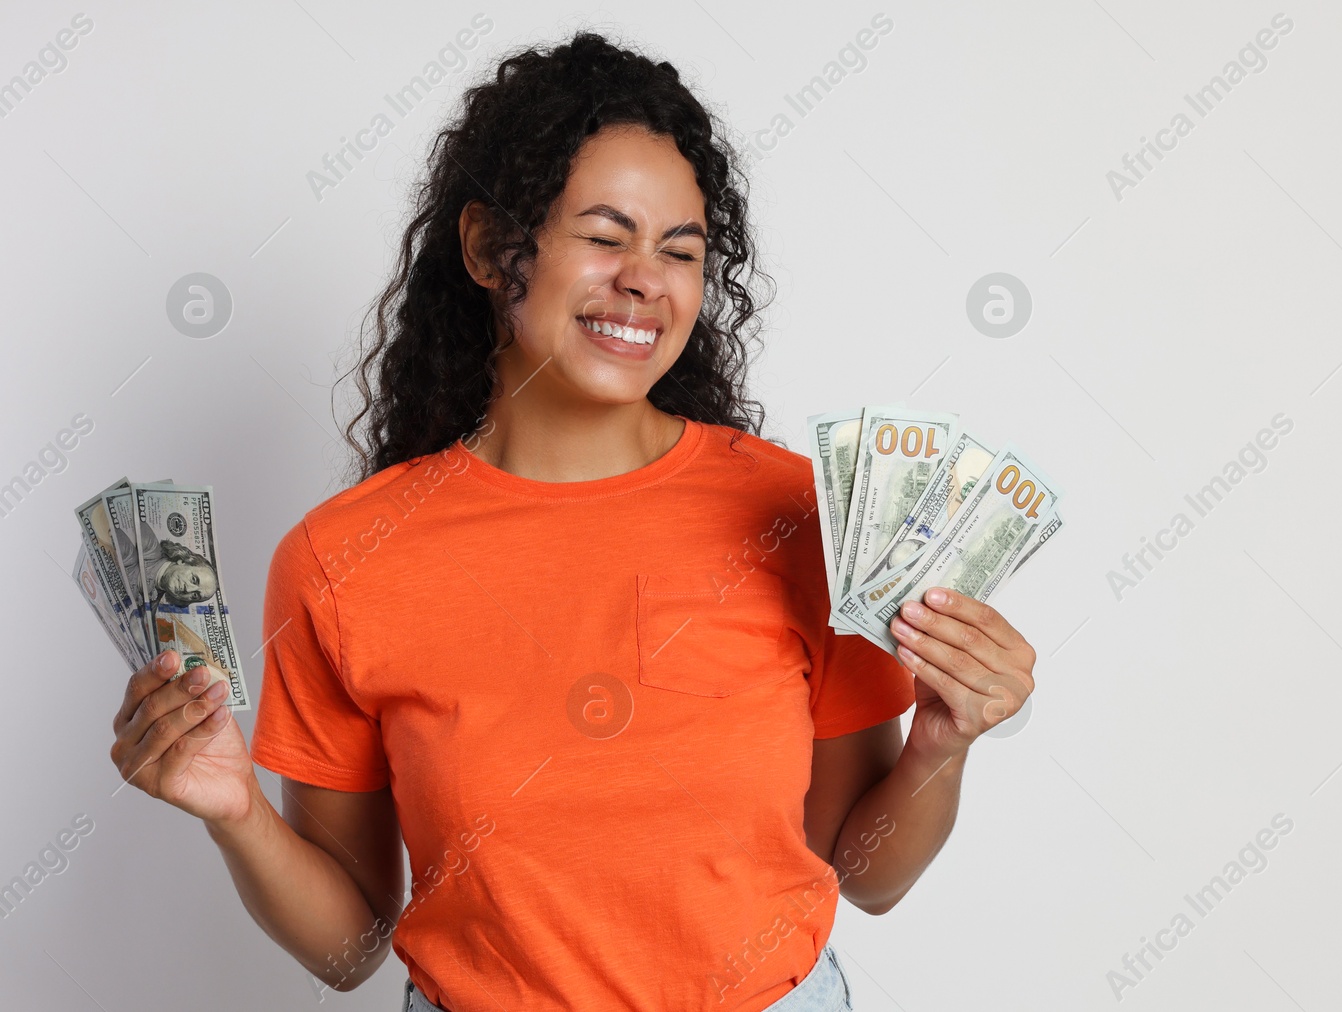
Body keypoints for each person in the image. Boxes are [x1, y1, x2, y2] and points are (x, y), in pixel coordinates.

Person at [106, 30, 1038, 1012]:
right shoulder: (343, 560)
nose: (645, 277)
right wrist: (235, 812)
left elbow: (868, 872)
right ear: (486, 247)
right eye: (605, 235)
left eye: (680, 250)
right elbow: (349, 950)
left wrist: (943, 742)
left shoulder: (797, 517)